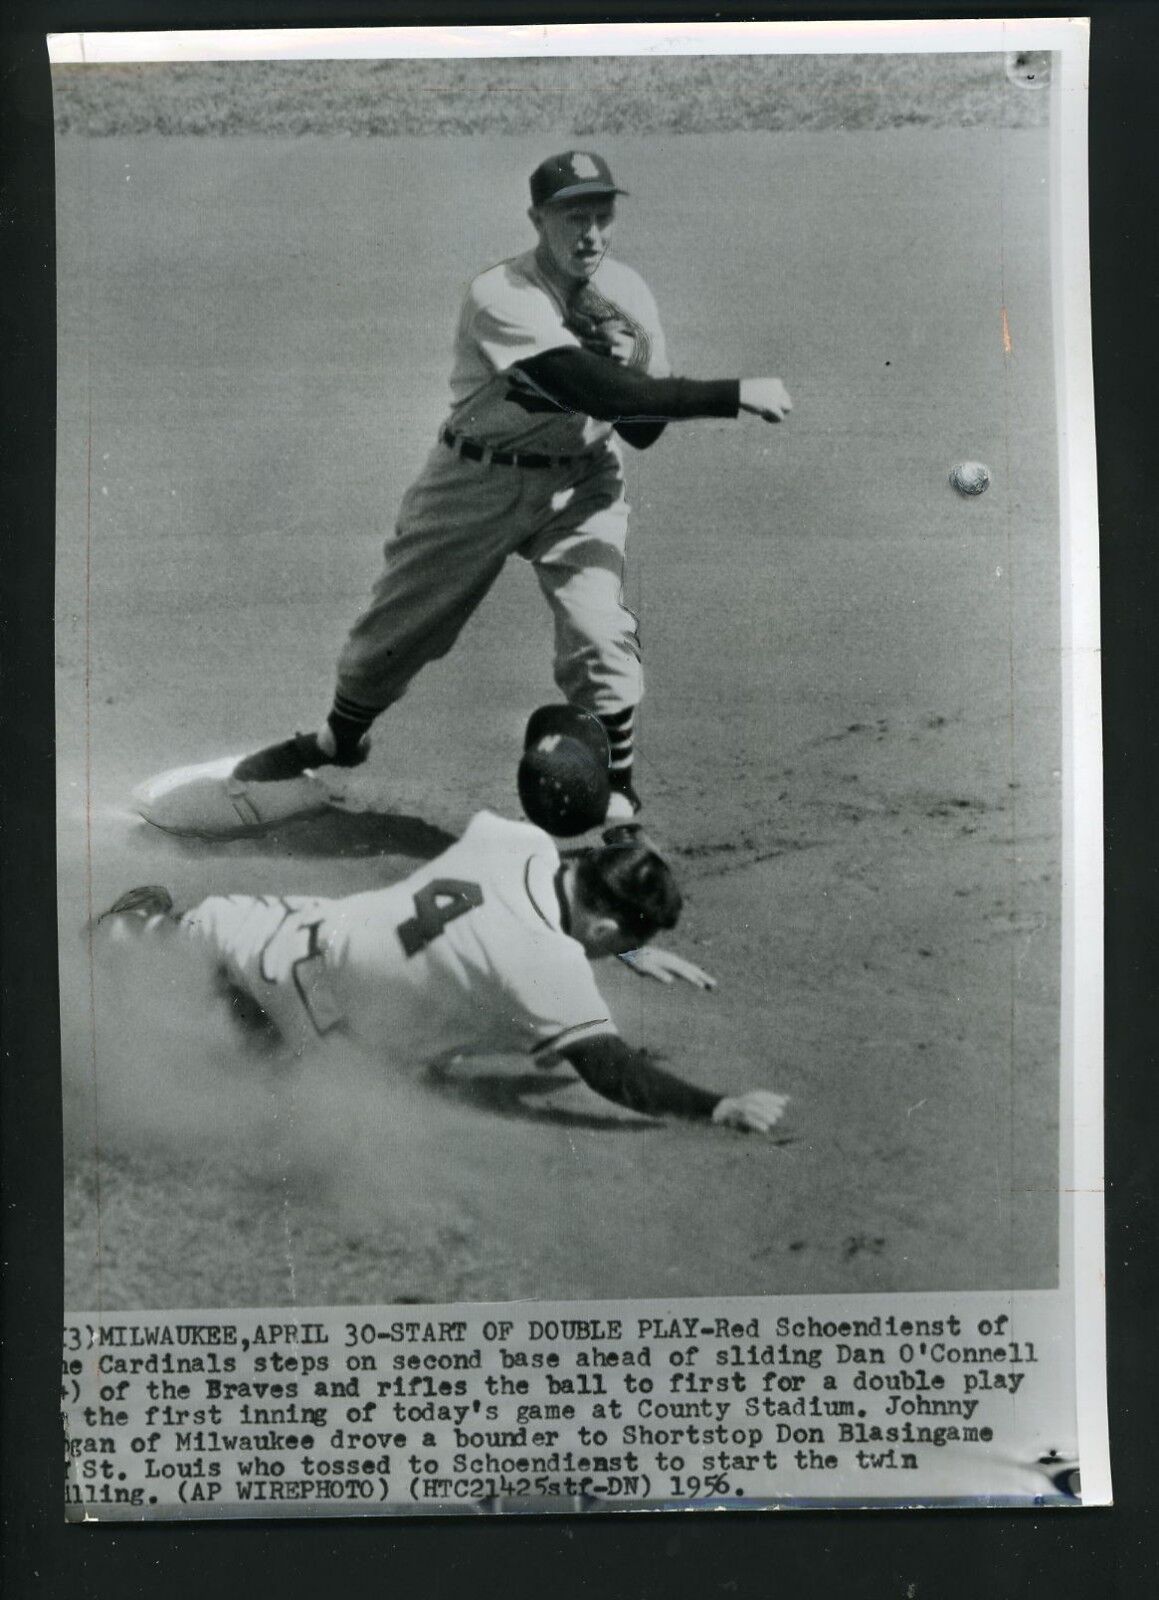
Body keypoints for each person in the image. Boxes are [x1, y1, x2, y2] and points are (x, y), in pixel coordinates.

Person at [209, 149, 792, 831]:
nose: (591, 234)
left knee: (600, 635)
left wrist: (630, 367)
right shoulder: (501, 295)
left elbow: (639, 431)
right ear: (537, 219)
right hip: (474, 481)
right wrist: (729, 394)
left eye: (602, 216)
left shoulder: (628, 295)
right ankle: (339, 740)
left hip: (580, 483)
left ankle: (620, 799)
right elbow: (584, 388)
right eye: (574, 217)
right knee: (386, 644)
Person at [98, 813, 788, 1133]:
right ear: (602, 928)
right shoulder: (544, 967)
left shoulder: (512, 840)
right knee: (263, 1066)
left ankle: (162, 939)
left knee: (213, 931)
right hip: (308, 1022)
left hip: (281, 930)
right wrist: (716, 1106)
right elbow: (613, 1072)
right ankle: (143, 952)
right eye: (614, 944)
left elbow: (582, 866)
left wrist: (631, 944)